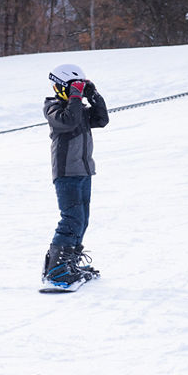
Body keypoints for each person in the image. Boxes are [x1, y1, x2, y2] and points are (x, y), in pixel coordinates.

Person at [42, 64, 109, 291]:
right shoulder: (53, 108)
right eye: (73, 88)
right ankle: (56, 270)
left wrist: (92, 94)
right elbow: (68, 121)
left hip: (84, 171)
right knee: (71, 219)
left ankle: (68, 263)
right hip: (66, 173)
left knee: (82, 219)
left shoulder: (78, 110)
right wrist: (75, 97)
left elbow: (102, 119)